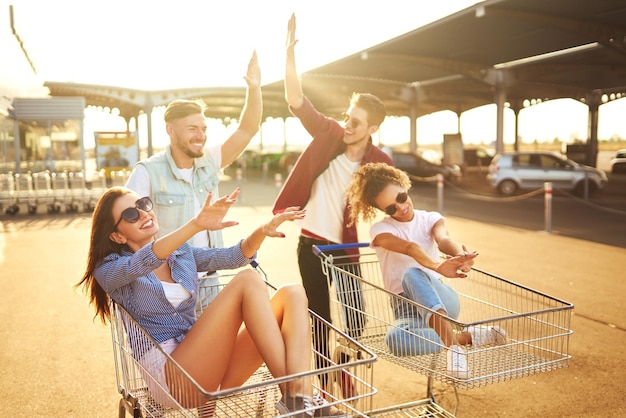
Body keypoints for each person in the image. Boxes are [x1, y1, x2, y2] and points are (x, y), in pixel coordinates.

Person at [76, 186, 348, 417]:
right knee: (247, 281)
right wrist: (196, 224)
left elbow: (232, 257)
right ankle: (297, 398)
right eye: (131, 214)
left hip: (206, 368)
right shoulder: (110, 269)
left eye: (143, 204)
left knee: (292, 292)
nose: (144, 213)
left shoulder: (180, 253)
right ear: (117, 236)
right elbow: (144, 261)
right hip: (173, 379)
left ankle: (299, 397)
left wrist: (262, 231)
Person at [272, 14, 394, 395]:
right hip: (311, 245)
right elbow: (297, 100)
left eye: (356, 121)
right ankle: (326, 389)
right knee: (320, 320)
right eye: (348, 117)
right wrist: (289, 55)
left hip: (346, 249)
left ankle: (342, 362)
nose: (349, 125)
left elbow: (396, 202)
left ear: (372, 127)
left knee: (357, 320)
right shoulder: (328, 133)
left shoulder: (379, 162)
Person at [346, 162, 507, 379]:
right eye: (391, 208)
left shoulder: (430, 218)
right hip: (406, 309)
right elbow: (409, 247)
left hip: (440, 298)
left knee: (412, 274)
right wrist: (436, 265)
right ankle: (469, 337)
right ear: (383, 211)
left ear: (405, 186)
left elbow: (443, 239)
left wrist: (461, 257)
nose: (401, 208)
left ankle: (454, 350)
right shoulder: (381, 230)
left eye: (401, 198)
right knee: (396, 340)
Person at [124, 50, 262, 250]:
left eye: (203, 129)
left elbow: (247, 129)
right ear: (170, 130)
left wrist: (255, 89)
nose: (201, 135)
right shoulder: (147, 172)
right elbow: (126, 226)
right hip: (170, 278)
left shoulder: (210, 160)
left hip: (211, 276)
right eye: (192, 129)